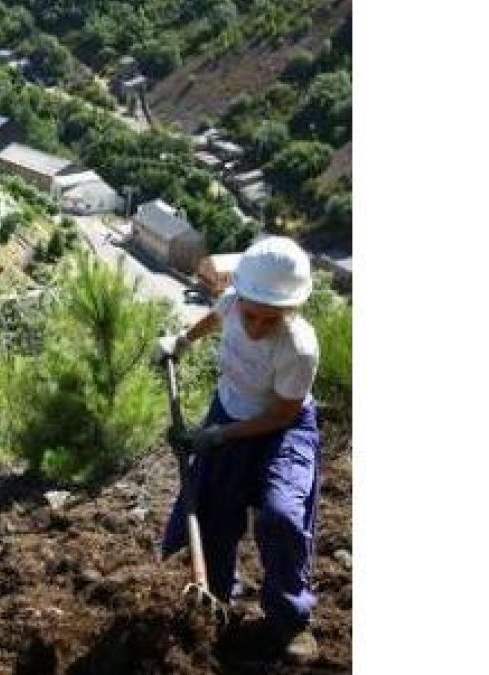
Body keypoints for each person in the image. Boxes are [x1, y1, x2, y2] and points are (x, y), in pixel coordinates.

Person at [156, 236, 322, 662]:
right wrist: (182, 341)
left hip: (280, 428)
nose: (257, 327)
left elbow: (281, 416)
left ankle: (289, 619)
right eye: (252, 314)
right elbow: (215, 320)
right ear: (241, 296)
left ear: (291, 309)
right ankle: (218, 603)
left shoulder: (298, 349)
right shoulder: (233, 303)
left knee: (283, 516)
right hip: (228, 410)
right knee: (214, 512)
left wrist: (219, 437)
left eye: (272, 319)